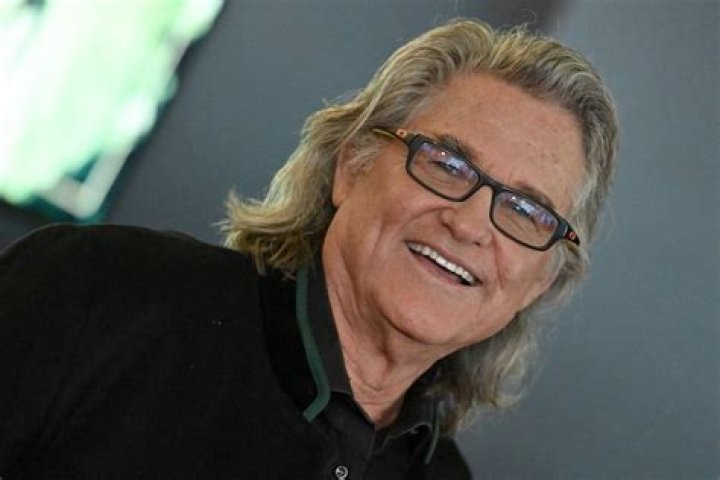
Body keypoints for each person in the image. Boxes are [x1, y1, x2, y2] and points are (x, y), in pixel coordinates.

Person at [0, 18, 617, 479]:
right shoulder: (96, 290)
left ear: (539, 282)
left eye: (527, 211)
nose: (471, 224)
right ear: (352, 165)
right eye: (447, 164)